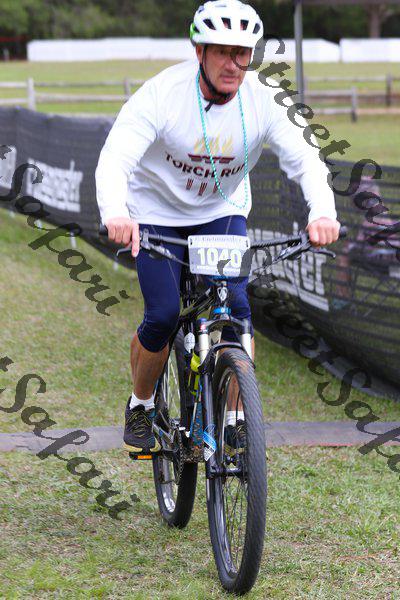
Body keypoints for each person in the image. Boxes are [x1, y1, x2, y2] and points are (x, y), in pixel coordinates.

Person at [95, 0, 340, 453]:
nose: (233, 64)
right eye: (223, 52)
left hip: (221, 211)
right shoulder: (163, 94)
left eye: (242, 53)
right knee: (163, 314)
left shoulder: (264, 99)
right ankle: (141, 404)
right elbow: (116, 157)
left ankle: (236, 416)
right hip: (156, 213)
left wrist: (323, 212)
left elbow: (306, 158)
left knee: (236, 313)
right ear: (200, 51)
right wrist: (116, 212)